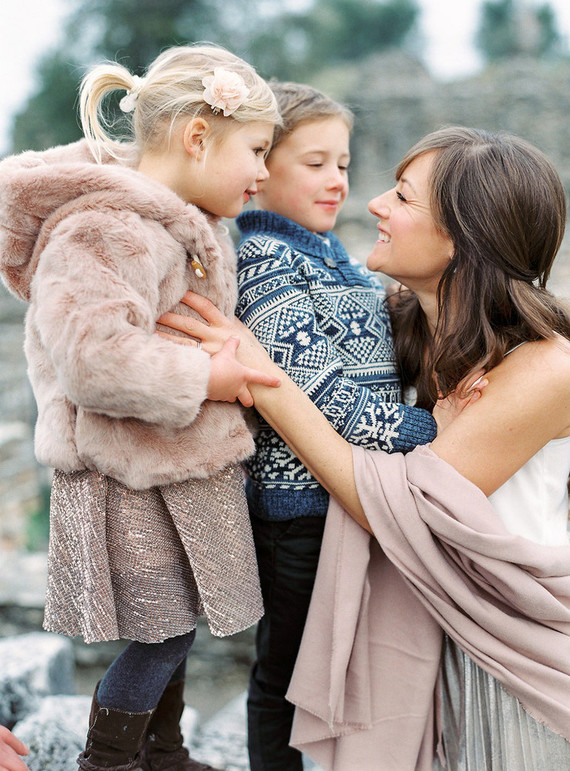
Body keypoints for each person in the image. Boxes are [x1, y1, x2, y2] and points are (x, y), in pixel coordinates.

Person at [159, 126, 570, 770]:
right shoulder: (395, 329)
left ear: (465, 238)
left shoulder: (546, 367)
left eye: (403, 198)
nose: (374, 203)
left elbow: (402, 506)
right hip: (424, 642)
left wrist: (265, 380)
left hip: (515, 659)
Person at [0, 44, 281, 771]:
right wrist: (208, 379)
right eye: (255, 149)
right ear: (197, 137)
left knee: (176, 619)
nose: (263, 172)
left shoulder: (172, 220)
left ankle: (165, 749)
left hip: (169, 466)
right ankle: (110, 759)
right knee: (161, 629)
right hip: (127, 473)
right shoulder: (107, 230)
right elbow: (92, 356)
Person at [235, 81, 438, 770]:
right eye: (315, 162)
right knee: (286, 673)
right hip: (297, 508)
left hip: (344, 495)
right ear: (260, 169)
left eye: (344, 164)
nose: (337, 180)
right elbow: (323, 394)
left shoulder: (330, 251)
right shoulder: (264, 259)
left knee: (336, 665)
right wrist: (432, 431)